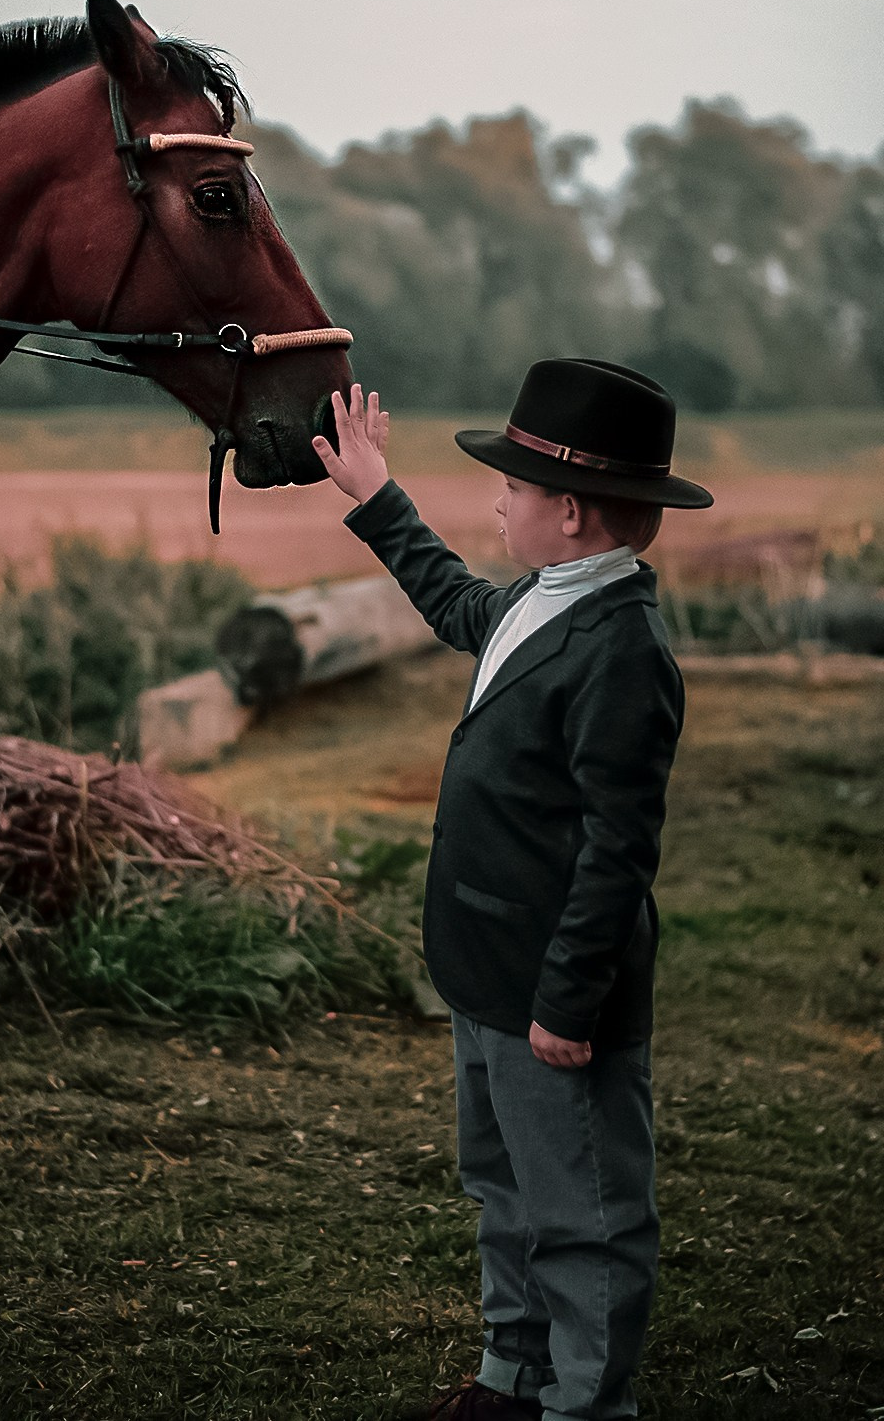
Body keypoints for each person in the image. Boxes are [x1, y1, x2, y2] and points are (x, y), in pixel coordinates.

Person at [311, 360, 713, 1421]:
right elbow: (452, 601)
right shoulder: (543, 598)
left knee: (582, 1211)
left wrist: (566, 1004)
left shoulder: (622, 648)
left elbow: (618, 851)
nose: (497, 500)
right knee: (502, 1187)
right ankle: (512, 1376)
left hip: (552, 996)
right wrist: (373, 494)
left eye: (514, 487)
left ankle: (585, 1403)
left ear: (569, 512)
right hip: (486, 972)